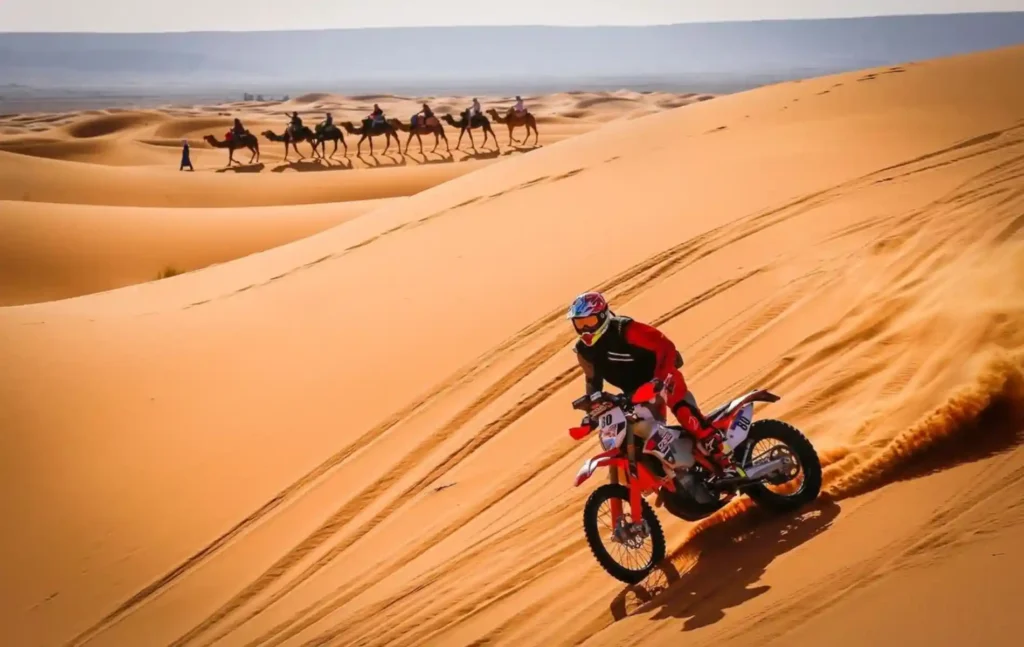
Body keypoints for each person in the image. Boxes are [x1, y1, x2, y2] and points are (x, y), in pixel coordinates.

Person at [567, 290, 745, 479]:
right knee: (636, 434)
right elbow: (593, 383)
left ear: (603, 316)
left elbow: (665, 347)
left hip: (663, 378)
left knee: (687, 416)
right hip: (635, 394)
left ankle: (728, 463)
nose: (585, 329)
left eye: (590, 322)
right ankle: (672, 479)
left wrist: (659, 379)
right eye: (579, 324)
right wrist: (590, 414)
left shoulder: (624, 330)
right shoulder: (583, 351)